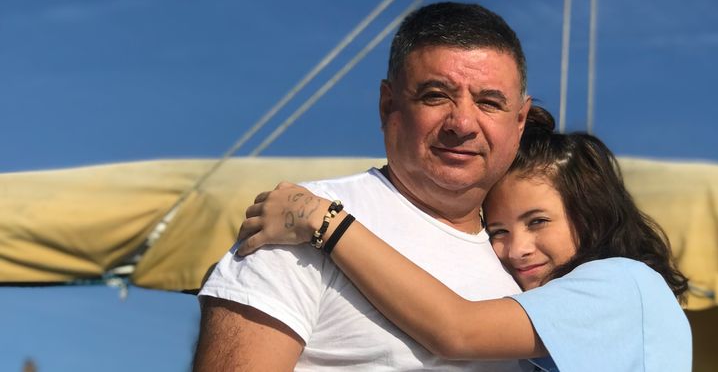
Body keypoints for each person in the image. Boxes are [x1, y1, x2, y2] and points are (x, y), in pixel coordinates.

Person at [194, 1, 533, 371]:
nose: (462, 123)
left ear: (519, 122)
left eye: (488, 102)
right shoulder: (292, 225)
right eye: (435, 96)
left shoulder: (531, 263)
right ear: (388, 106)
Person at [235, 109, 692, 371]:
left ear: (592, 216)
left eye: (538, 221)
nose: (516, 248)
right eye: (498, 231)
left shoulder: (624, 283)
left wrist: (324, 220)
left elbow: (457, 330)